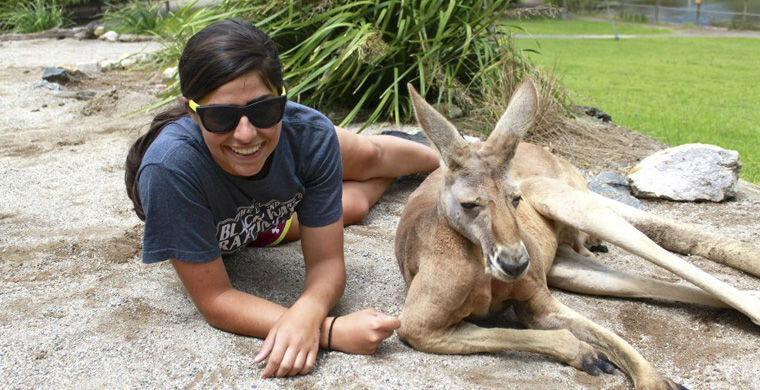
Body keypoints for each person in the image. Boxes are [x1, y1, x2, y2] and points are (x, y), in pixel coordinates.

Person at [124, 18, 439, 379]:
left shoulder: (306, 133)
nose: (245, 133)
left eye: (263, 110)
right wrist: (330, 330)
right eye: (220, 117)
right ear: (192, 111)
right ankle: (395, 175)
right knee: (355, 206)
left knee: (369, 156)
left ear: (282, 97)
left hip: (268, 202)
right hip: (233, 228)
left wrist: (309, 309)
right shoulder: (170, 171)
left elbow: (326, 263)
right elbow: (215, 299)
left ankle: (445, 154)